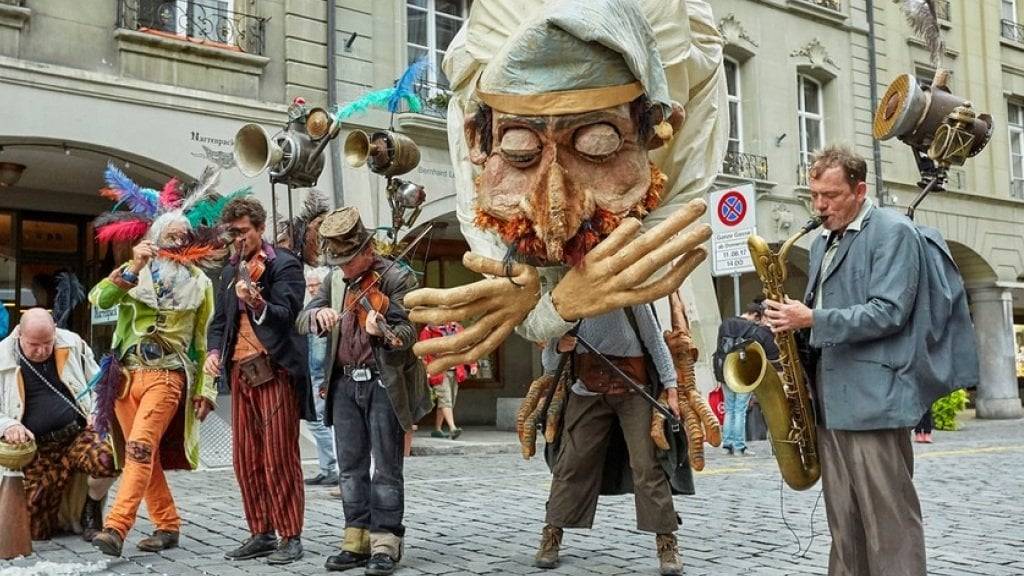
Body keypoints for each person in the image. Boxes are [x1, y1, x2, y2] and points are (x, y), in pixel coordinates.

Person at [764, 145, 930, 576]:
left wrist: (812, 317)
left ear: (860, 190)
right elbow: (828, 311)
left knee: (889, 522)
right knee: (844, 520)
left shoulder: (893, 232)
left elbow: (890, 311)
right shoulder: (823, 242)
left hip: (875, 401)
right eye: (814, 194)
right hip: (831, 401)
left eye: (830, 195)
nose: (819, 205)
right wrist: (791, 321)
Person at [297, 206, 431, 575]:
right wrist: (317, 317)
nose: (340, 268)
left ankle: (386, 540)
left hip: (383, 384)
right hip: (343, 383)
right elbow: (303, 316)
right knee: (350, 468)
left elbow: (409, 334)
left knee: (386, 467)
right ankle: (355, 538)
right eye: (336, 261)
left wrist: (383, 332)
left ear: (365, 252)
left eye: (345, 260)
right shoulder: (335, 282)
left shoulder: (397, 278)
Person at [89, 195, 220, 557]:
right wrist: (132, 268)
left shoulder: (201, 283)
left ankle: (116, 527)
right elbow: (98, 300)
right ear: (157, 238)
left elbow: (203, 340)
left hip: (168, 375)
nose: (178, 241)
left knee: (140, 448)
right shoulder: (136, 273)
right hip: (125, 378)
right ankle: (167, 525)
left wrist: (207, 388)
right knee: (142, 457)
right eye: (171, 235)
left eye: (184, 236)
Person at [536, 305, 685, 576]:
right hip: (587, 389)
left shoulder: (630, 295)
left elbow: (653, 339)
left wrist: (671, 387)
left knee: (647, 464)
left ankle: (666, 543)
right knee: (571, 462)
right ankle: (552, 535)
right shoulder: (572, 297)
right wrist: (559, 347)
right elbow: (549, 362)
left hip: (633, 388)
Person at [205, 196, 315, 565]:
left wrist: (257, 303)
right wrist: (213, 353)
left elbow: (288, 314)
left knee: (279, 457)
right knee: (246, 459)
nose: (237, 239)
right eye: (232, 233)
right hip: (240, 371)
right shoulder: (228, 270)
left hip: (274, 369)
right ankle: (261, 532)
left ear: (260, 228)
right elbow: (220, 322)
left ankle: (290, 535)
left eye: (243, 232)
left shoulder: (284, 264)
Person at [0, 309, 117, 542]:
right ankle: (58, 513)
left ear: (55, 331)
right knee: (35, 530)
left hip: (77, 433)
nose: (42, 350)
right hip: (37, 447)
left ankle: (91, 510)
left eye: (47, 342)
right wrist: (8, 424)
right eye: (34, 344)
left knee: (108, 457)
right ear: (19, 335)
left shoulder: (72, 343)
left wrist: (97, 411)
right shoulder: (3, 355)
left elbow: (98, 383)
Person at [714, 301, 780, 456]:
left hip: (725, 371)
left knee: (729, 408)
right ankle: (739, 445)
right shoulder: (753, 328)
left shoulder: (726, 324)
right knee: (740, 410)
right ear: (756, 316)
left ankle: (728, 443)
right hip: (743, 372)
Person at [304, 267, 338, 486]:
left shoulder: (330, 310)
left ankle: (333, 466)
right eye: (310, 285)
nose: (313, 288)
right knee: (317, 422)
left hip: (322, 377)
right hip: (313, 376)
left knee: (318, 422)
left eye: (316, 284)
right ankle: (327, 468)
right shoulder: (310, 311)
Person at [418, 322, 477, 439]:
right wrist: (426, 370)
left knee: (448, 401)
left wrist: (472, 364)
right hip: (438, 371)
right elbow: (422, 351)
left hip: (455, 370)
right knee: (446, 399)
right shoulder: (428, 330)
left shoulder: (458, 328)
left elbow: (466, 348)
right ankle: (453, 428)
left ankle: (437, 429)